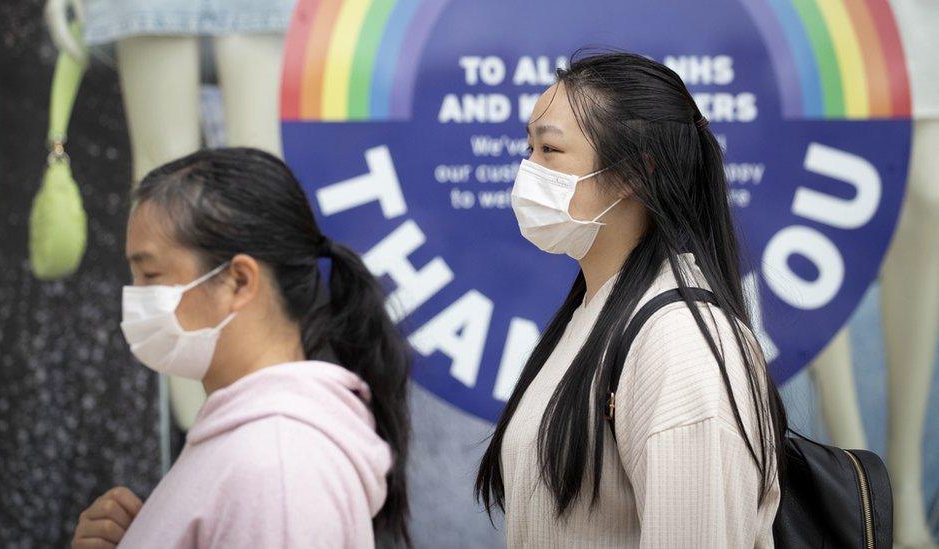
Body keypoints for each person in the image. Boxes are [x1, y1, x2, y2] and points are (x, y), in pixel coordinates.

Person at [475, 51, 786, 548]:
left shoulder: (682, 343)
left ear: (634, 173)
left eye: (549, 152)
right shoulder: (595, 314)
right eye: (528, 149)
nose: (527, 171)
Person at [70, 147, 412, 548]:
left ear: (239, 282)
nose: (135, 296)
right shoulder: (255, 448)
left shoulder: (275, 468)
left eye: (150, 274)